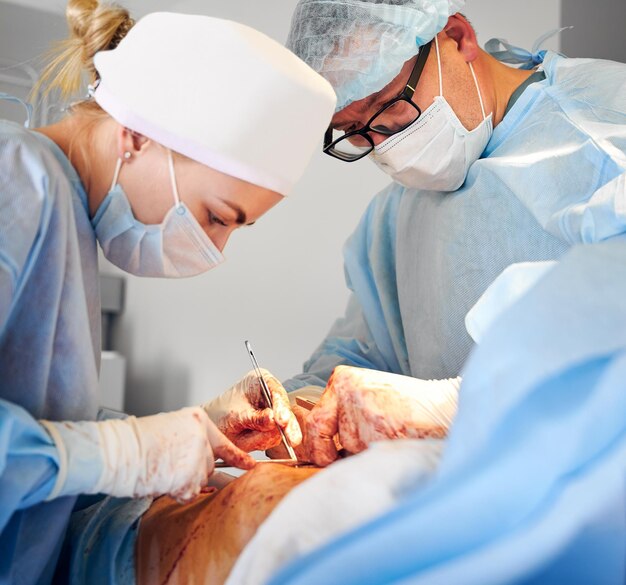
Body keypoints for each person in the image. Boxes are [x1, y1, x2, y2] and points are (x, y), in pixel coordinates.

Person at [0, 1, 336, 583]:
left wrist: (191, 426)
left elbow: (40, 418)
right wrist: (119, 454)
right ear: (136, 135)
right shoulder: (15, 179)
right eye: (215, 216)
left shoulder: (69, 226)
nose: (214, 249)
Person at [247, 0, 626, 466]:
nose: (386, 145)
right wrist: (296, 408)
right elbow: (365, 357)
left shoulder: (605, 129)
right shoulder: (396, 215)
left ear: (457, 36)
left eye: (389, 109)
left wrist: (461, 403)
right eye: (357, 133)